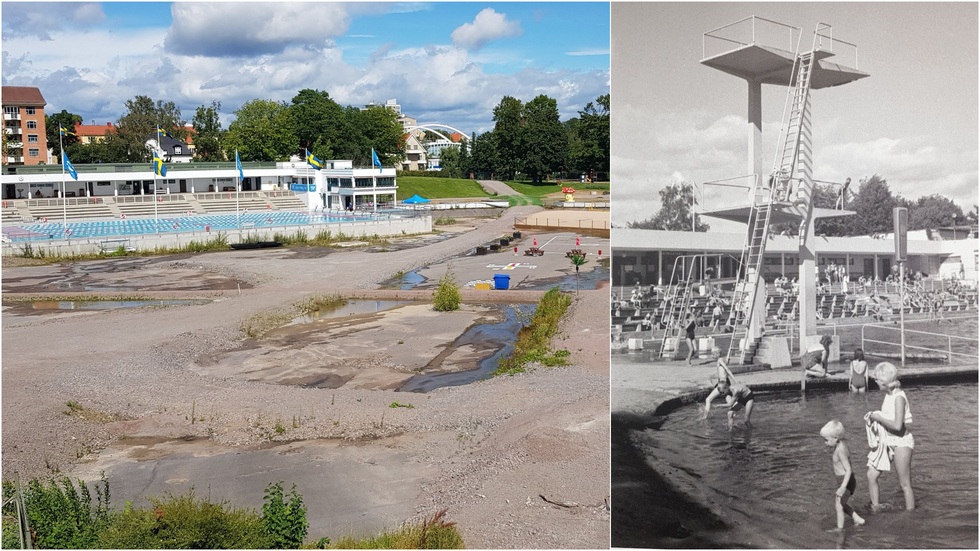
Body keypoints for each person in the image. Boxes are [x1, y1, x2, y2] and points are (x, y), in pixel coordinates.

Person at [865, 362, 915, 511]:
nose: (876, 383)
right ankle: (876, 507)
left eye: (877, 381)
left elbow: (898, 426)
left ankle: (910, 514)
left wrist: (878, 418)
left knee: (904, 484)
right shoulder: (889, 394)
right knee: (871, 475)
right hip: (886, 441)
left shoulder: (899, 397)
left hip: (901, 442)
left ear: (885, 382)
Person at [820, 420, 866, 530]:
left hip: (846, 481)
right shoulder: (840, 446)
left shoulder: (840, 450)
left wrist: (842, 487)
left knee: (838, 504)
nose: (825, 443)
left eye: (826, 440)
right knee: (841, 503)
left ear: (836, 438)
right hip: (844, 480)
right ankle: (858, 519)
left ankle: (840, 529)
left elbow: (848, 470)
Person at [701, 358, 754, 429]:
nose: (722, 394)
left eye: (723, 392)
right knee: (730, 413)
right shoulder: (729, 388)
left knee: (746, 420)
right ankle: (730, 430)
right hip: (741, 398)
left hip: (748, 397)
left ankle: (751, 431)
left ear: (726, 388)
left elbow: (730, 404)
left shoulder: (735, 391)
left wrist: (718, 406)